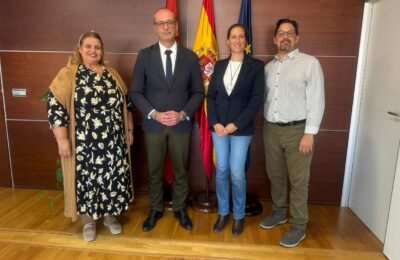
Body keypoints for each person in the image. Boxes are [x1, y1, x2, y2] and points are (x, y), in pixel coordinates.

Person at [47, 31, 134, 242]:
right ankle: (89, 221)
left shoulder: (112, 73)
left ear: (102, 51)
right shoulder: (68, 74)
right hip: (84, 144)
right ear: (80, 49)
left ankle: (110, 217)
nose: (93, 50)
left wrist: (129, 130)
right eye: (88, 46)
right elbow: (55, 107)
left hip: (113, 142)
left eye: (97, 47)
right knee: (86, 182)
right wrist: (62, 140)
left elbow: (127, 104)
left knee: (113, 179)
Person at [129, 8, 204, 232]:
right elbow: (135, 92)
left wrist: (182, 113)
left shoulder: (190, 57)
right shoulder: (144, 55)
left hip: (181, 125)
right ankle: (155, 209)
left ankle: (180, 209)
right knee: (154, 170)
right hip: (154, 125)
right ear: (154, 27)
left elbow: (199, 93)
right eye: (160, 23)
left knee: (181, 169)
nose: (165, 26)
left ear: (176, 26)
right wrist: (154, 114)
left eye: (169, 22)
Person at [260, 18, 325, 247]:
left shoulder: (309, 63)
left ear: (297, 38)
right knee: (275, 175)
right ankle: (279, 212)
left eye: (290, 33)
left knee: (298, 181)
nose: (285, 37)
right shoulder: (268, 68)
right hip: (270, 130)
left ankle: (298, 225)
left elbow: (317, 100)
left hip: (298, 131)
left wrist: (310, 133)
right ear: (275, 38)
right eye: (281, 33)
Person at [207, 24, 265, 236]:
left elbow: (256, 100)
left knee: (237, 173)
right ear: (227, 41)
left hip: (241, 129)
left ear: (246, 41)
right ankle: (223, 212)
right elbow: (211, 96)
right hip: (219, 128)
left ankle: (238, 215)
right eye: (233, 37)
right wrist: (215, 122)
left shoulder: (256, 67)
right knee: (221, 170)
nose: (237, 40)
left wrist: (236, 124)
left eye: (241, 37)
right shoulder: (219, 65)